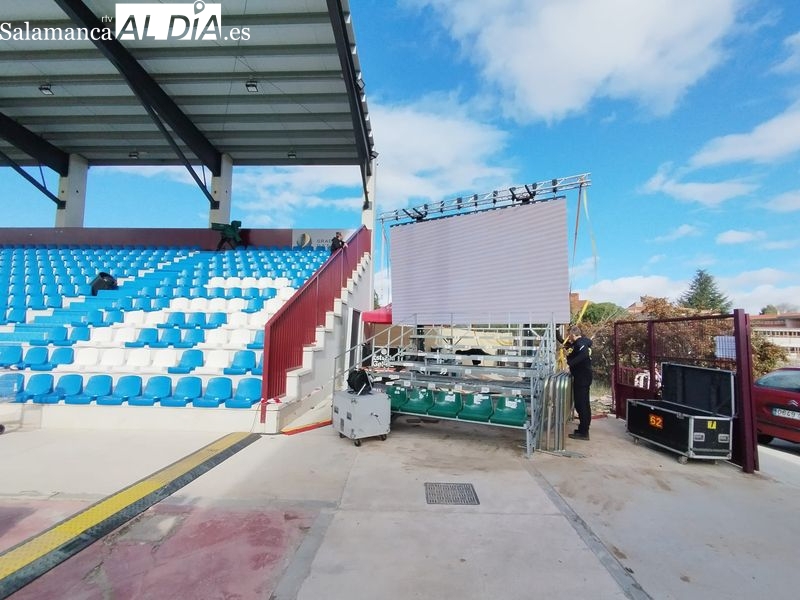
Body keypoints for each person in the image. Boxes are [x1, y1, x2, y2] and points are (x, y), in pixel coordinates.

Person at [561, 325, 593, 441]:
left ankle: (584, 431)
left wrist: (570, 364)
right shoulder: (580, 343)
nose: (568, 337)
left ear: (573, 334)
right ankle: (584, 428)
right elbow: (570, 348)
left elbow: (583, 354)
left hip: (582, 378)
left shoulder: (581, 344)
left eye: (569, 335)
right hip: (583, 377)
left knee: (581, 404)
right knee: (583, 403)